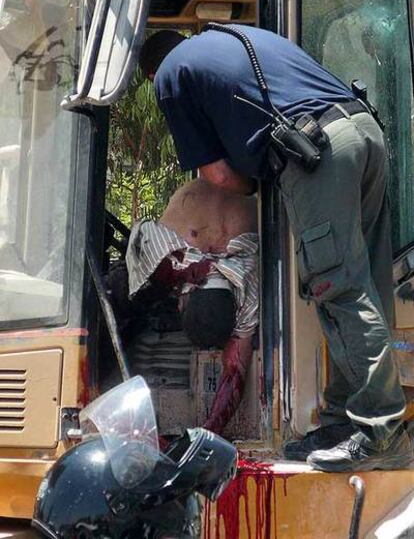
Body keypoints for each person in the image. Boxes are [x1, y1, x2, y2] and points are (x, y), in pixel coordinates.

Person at [138, 26, 412, 471]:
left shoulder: (171, 75)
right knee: (366, 284)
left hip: (316, 155)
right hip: (362, 130)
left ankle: (381, 431)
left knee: (336, 285)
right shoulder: (234, 38)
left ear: (151, 76)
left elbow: (222, 177)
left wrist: (256, 185)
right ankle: (343, 421)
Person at [108, 178, 259, 435]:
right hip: (228, 207)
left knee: (120, 286)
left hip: (224, 202)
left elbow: (235, 371)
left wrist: (210, 428)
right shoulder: (171, 256)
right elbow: (235, 370)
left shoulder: (168, 255)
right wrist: (212, 428)